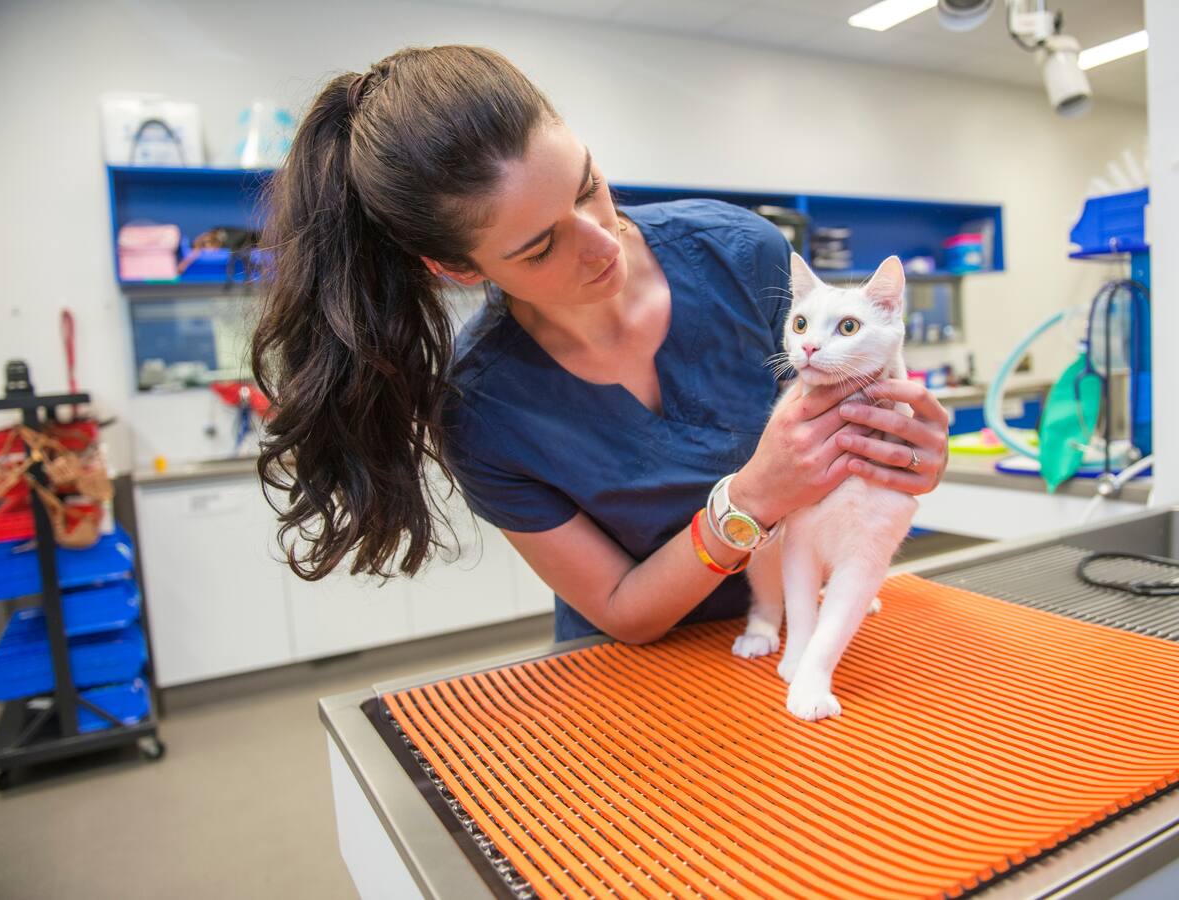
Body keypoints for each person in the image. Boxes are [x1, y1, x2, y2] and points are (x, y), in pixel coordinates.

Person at [251, 45, 949, 645]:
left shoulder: (742, 255)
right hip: (630, 687)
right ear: (459, 269)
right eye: (540, 245)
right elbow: (623, 612)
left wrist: (901, 451)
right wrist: (749, 498)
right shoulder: (482, 410)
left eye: (587, 187)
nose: (599, 241)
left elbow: (842, 443)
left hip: (809, 630)